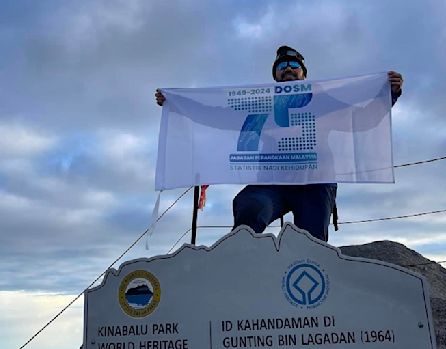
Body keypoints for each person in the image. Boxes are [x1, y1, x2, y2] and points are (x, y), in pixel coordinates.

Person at [155, 45, 403, 241]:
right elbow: (219, 116)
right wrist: (179, 105)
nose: (288, 69)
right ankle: (243, 270)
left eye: (294, 65)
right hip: (272, 182)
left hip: (315, 182)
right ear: (275, 76)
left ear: (304, 72)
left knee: (312, 244)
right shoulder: (261, 104)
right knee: (250, 209)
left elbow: (359, 120)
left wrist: (389, 94)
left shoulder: (323, 100)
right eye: (281, 66)